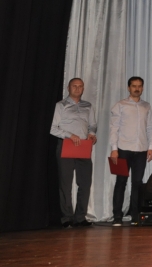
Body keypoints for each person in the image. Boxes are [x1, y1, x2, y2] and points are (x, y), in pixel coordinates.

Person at [50, 78, 97, 228]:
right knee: (66, 183)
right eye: (74, 86)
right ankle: (67, 217)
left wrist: (91, 134)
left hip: (83, 146)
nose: (77, 88)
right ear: (68, 88)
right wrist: (70, 135)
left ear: (83, 88)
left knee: (85, 183)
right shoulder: (61, 105)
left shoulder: (88, 106)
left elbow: (93, 125)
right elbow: (53, 128)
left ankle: (80, 217)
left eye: (80, 86)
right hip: (66, 145)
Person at [109, 76, 152, 226]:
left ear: (142, 88)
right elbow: (114, 128)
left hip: (141, 150)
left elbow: (150, 127)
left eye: (139, 86)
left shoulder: (146, 106)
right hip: (123, 149)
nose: (137, 88)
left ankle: (135, 215)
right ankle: (117, 216)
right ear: (129, 88)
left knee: (137, 183)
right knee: (121, 182)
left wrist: (151, 147)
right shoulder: (120, 105)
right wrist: (114, 149)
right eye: (134, 86)